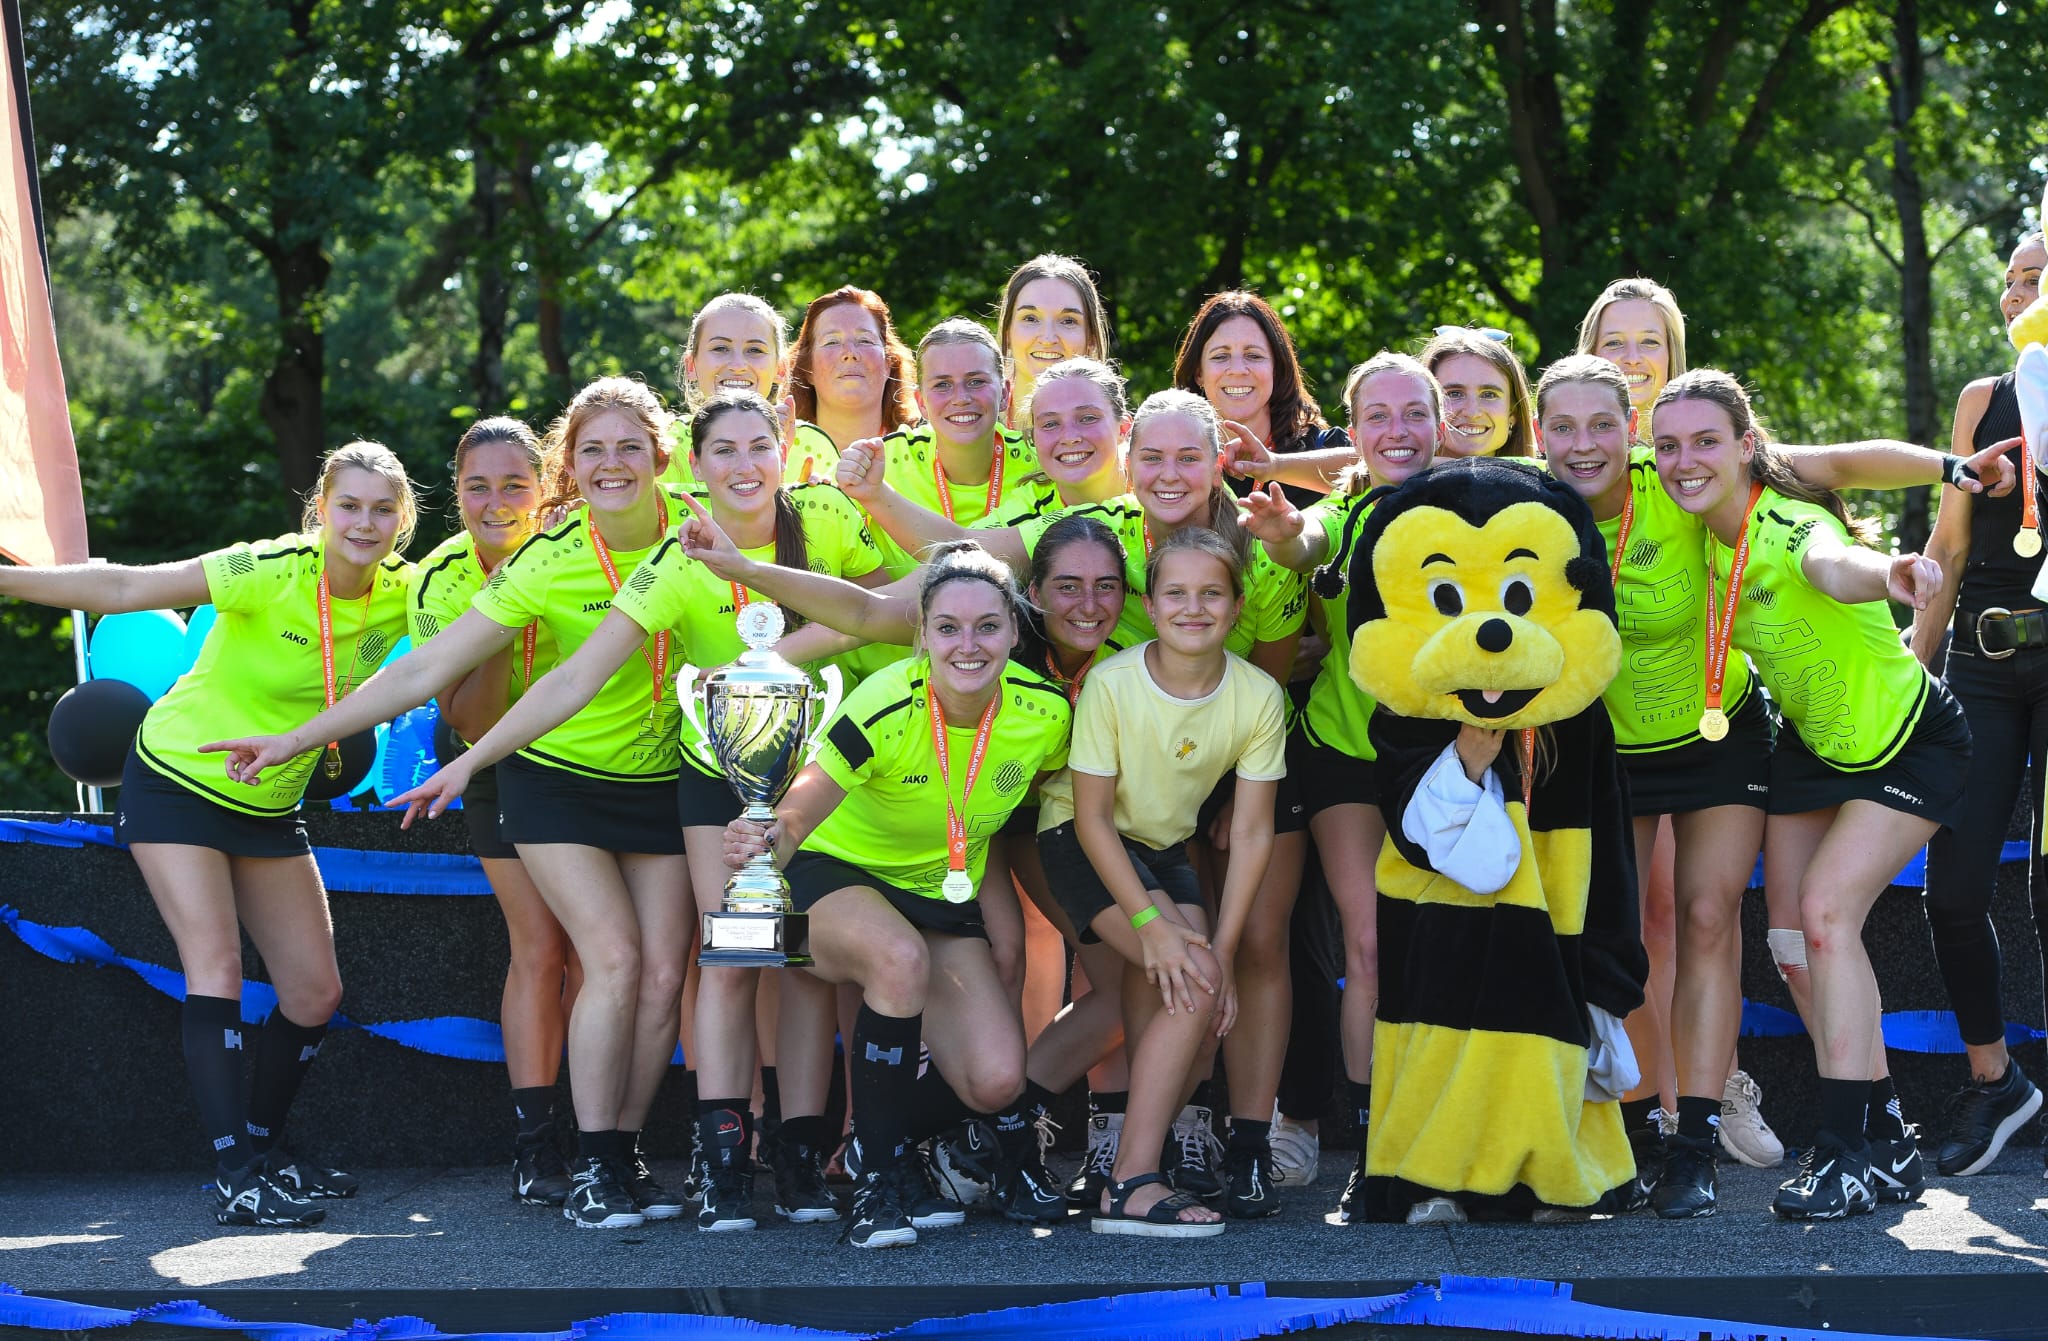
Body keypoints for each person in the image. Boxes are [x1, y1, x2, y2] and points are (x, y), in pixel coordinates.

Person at [206, 377, 696, 1231]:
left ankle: (618, 1149)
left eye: (629, 447)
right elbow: (431, 684)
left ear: (660, 455)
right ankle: (566, 1153)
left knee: (662, 973)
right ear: (571, 468)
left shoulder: (698, 525)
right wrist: (294, 739)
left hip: (661, 777)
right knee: (592, 955)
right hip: (532, 771)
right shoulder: (537, 558)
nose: (611, 463)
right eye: (593, 449)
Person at [403, 392, 890, 1232]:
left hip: (774, 780)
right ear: (696, 461)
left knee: (724, 968)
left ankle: (744, 1153)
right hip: (618, 781)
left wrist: (801, 641)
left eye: (758, 447)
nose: (742, 465)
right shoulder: (654, 555)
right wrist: (465, 758)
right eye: (595, 448)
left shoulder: (807, 516)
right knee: (654, 960)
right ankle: (628, 1161)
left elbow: (907, 598)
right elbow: (560, 679)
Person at [840, 388, 1308, 1209]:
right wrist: (862, 507)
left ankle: (1029, 1133)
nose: (1092, 603)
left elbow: (1273, 654)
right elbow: (919, 584)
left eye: (1187, 457)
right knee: (1150, 972)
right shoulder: (1096, 545)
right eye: (1151, 457)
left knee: (1160, 980)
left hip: (1158, 815)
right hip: (1054, 815)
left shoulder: (1253, 563)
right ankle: (1111, 1164)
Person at [0, 441, 417, 1226]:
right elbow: (125, 584)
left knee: (315, 990)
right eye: (350, 505)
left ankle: (264, 1151)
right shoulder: (268, 566)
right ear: (321, 508)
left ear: (404, 519)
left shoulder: (406, 591)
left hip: (269, 803)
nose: (365, 522)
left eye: (383, 508)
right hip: (177, 783)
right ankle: (235, 1175)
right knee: (217, 964)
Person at [1653, 369, 1968, 1220]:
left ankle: (1846, 1152)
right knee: (1792, 944)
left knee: (1828, 917)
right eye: (1669, 445)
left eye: (1705, 442)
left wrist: (1892, 572)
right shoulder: (1695, 533)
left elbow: (1831, 565)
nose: (1685, 461)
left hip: (1907, 741)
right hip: (1810, 747)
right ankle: (1887, 1138)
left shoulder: (1788, 520)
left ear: (1747, 447)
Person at [719, 544, 1074, 1247]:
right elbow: (805, 801)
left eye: (987, 627)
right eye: (947, 627)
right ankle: (877, 1180)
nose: (967, 645)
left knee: (999, 1078)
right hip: (832, 873)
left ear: (1014, 629)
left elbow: (1052, 804)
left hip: (939, 893)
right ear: (921, 634)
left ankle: (882, 1139)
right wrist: (768, 842)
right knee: (897, 957)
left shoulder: (1047, 713)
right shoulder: (886, 697)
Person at [1035, 526, 1284, 1237]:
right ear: (1151, 601)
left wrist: (1225, 948)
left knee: (1197, 977)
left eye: (1211, 593)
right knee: (1188, 972)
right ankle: (1133, 1182)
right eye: (1175, 592)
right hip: (1084, 843)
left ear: (1237, 607)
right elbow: (1089, 820)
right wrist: (1150, 925)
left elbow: (1254, 832)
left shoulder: (1259, 695)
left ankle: (1057, 1132)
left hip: (1165, 847)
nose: (1193, 607)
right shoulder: (1114, 683)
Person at [1242, 351, 1444, 1221]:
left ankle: (1446, 1139)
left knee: (1439, 951)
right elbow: (1308, 539)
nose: (1397, 431)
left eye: (1414, 414)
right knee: (1368, 945)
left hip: (1453, 758)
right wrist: (1287, 538)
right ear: (1353, 432)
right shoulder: (1345, 510)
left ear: (1440, 424)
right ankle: (1375, 1149)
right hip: (1344, 754)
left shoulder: (1489, 497)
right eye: (1379, 417)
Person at [407, 417, 580, 1207]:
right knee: (541, 949)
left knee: (602, 956)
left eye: (516, 484)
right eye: (478, 485)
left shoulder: (582, 542)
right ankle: (537, 1142)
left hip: (593, 761)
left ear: (544, 488)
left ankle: (600, 1133)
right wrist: (508, 602)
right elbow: (471, 720)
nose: (496, 500)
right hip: (495, 764)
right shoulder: (441, 577)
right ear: (457, 492)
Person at [1910, 228, 2048, 1177]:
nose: (2016, 294)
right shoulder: (1980, 402)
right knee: (1951, 886)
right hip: (1985, 663)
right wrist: (1917, 677)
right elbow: (1950, 550)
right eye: (2010, 281)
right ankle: (1997, 1082)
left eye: (2037, 278)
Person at [1171, 289, 1351, 508]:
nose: (1237, 369)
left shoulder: (1325, 447)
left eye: (1254, 356)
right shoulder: (1173, 464)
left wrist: (1275, 465)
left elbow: (1379, 466)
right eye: (1220, 356)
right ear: (1199, 372)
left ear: (1276, 368)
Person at [658, 292, 837, 488]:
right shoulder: (664, 446)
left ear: (780, 369)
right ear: (691, 365)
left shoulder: (814, 447)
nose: (738, 365)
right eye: (720, 348)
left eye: (755, 350)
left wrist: (814, 501)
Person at [784, 285, 919, 458]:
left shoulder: (925, 451)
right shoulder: (776, 454)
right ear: (808, 368)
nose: (850, 353)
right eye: (832, 342)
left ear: (889, 362)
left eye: (864, 340)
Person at [995, 253, 1113, 424]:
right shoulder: (973, 429)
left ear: (1092, 338)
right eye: (1030, 318)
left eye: (1068, 321)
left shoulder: (1122, 441)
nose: (1048, 338)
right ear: (1007, 332)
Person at [1577, 277, 1687, 420]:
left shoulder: (1713, 436)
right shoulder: (1555, 440)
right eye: (1614, 343)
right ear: (1591, 354)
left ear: (1672, 353)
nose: (1632, 359)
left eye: (1649, 341)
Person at [1420, 325, 1536, 458]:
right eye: (1454, 394)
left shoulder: (1547, 478)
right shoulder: (1396, 478)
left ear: (1513, 413)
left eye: (1489, 395)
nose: (1472, 412)